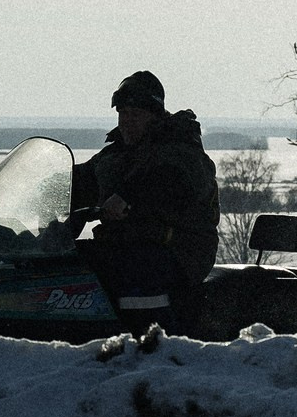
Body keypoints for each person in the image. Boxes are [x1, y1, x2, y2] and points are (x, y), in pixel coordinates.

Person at [75, 70, 220, 328]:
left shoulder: (180, 148)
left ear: (154, 116)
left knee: (138, 269)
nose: (126, 121)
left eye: (135, 115)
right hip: (127, 243)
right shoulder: (114, 156)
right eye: (122, 114)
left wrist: (126, 197)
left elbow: (169, 180)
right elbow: (80, 182)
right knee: (70, 263)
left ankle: (154, 344)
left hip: (180, 249)